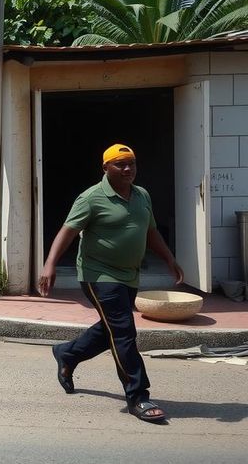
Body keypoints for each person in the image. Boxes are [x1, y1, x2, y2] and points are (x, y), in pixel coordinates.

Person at [38, 143, 182, 424]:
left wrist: (169, 258)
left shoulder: (142, 195)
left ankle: (66, 354)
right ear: (106, 168)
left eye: (132, 163)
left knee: (111, 330)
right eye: (120, 164)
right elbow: (68, 231)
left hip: (128, 274)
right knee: (124, 332)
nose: (128, 169)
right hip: (98, 274)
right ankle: (138, 395)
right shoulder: (91, 198)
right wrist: (50, 264)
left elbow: (149, 231)